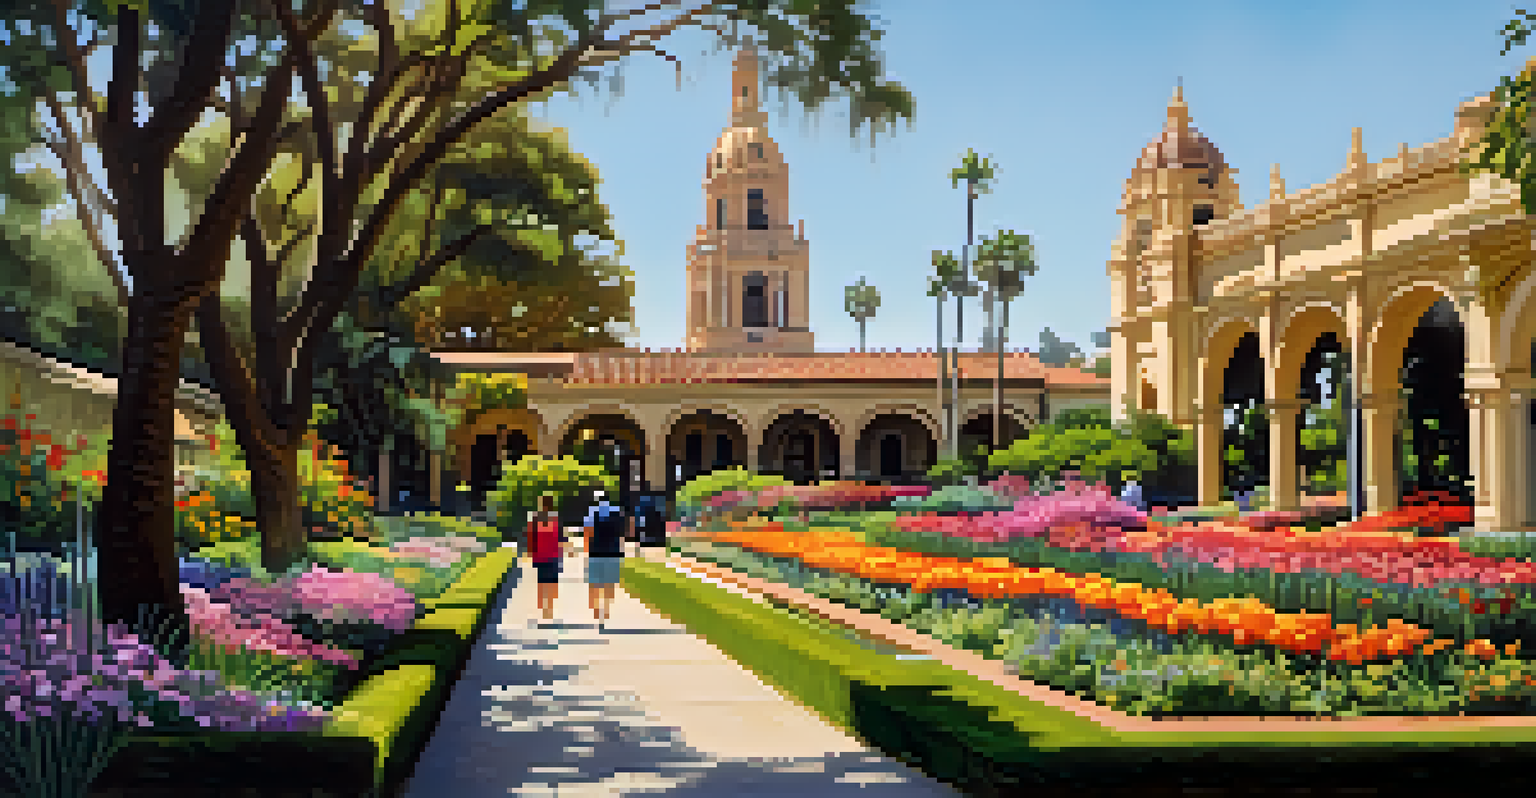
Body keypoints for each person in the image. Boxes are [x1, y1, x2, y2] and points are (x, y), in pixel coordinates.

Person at [582, 489, 632, 629]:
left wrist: (587, 551)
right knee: (609, 583)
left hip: (596, 552)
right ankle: (607, 608)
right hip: (613, 552)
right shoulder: (617, 512)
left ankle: (597, 610)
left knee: (595, 583)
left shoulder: (592, 512)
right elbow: (623, 533)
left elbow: (588, 533)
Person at [524, 492, 566, 627]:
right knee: (552, 582)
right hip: (553, 555)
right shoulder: (556, 518)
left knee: (541, 582)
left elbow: (530, 536)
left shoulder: (535, 517)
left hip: (540, 554)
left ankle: (543, 610)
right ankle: (550, 609)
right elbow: (561, 538)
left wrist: (530, 552)